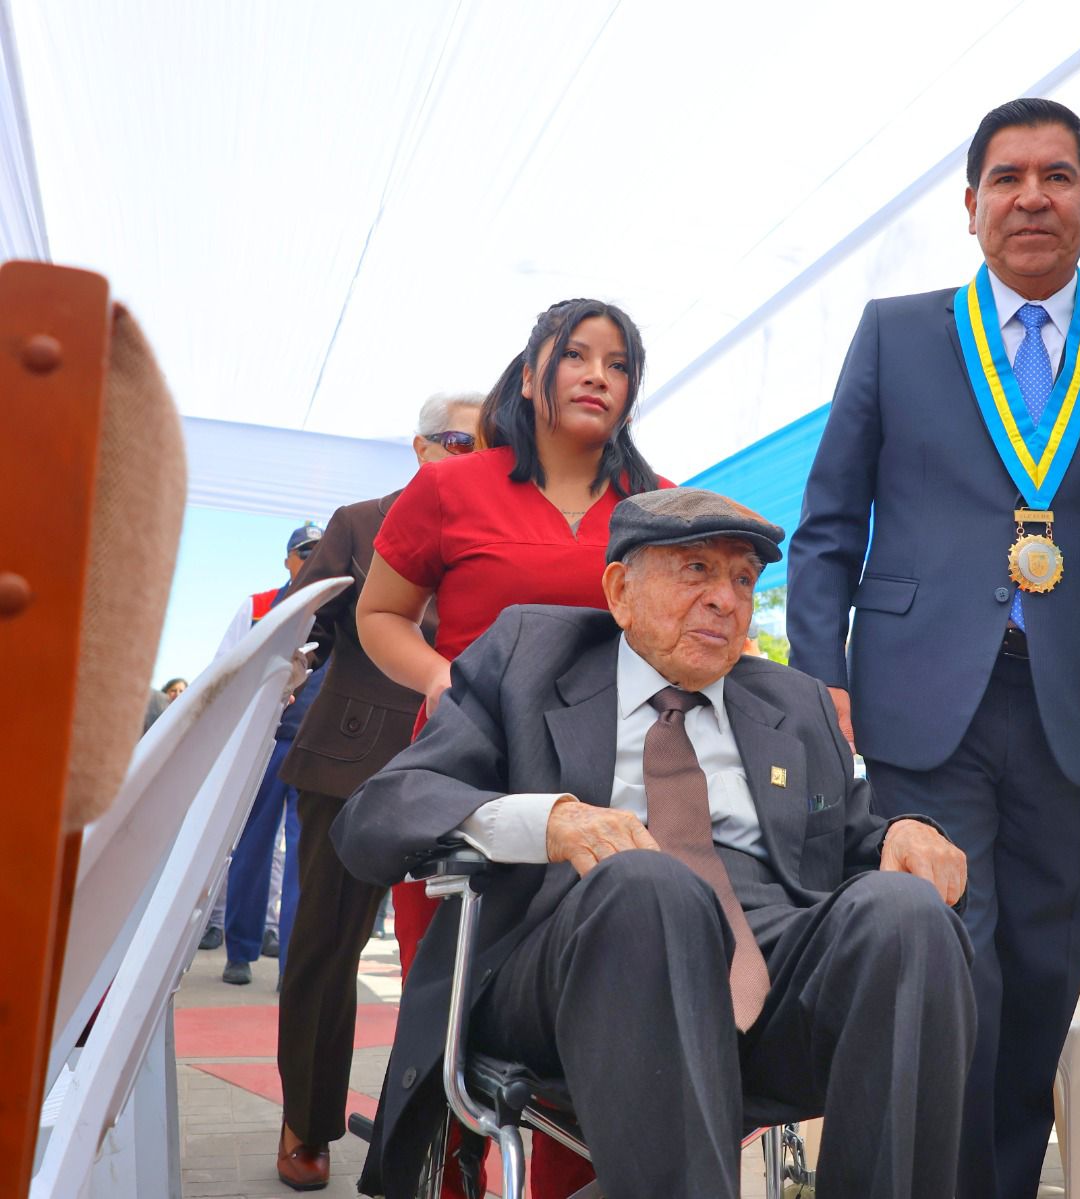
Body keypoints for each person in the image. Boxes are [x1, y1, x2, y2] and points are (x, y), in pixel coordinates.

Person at [786, 97, 1080, 1197]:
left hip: (1077, 708)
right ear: (970, 205)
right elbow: (829, 523)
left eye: (1055, 176)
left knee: (1043, 975)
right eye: (1006, 177)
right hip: (918, 701)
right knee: (951, 958)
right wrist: (815, 678)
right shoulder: (896, 333)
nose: (1031, 197)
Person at [332, 488, 976, 1199]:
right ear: (620, 591)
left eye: (743, 579)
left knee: (908, 916)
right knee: (649, 883)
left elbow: (859, 835)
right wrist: (552, 820)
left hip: (767, 966)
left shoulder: (795, 703)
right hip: (573, 956)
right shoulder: (528, 657)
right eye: (697, 569)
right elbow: (381, 810)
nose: (726, 599)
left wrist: (906, 832)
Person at [356, 299, 667, 1197]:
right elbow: (381, 615)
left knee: (591, 1020)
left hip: (603, 789)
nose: (598, 374)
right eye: (577, 355)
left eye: (619, 363)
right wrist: (441, 678)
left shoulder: (656, 503)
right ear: (531, 375)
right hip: (465, 780)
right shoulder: (449, 487)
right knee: (450, 1022)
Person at [271, 391, 482, 1191]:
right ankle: (307, 1117)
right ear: (421, 447)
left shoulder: (500, 531)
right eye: (458, 439)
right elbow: (301, 624)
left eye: (489, 441)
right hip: (350, 756)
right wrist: (278, 674)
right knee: (326, 946)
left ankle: (431, 1136)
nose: (473, 454)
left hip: (463, 762)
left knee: (459, 961)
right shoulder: (360, 522)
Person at [212, 521, 327, 983]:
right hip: (264, 743)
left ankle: (290, 966)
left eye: (320, 551)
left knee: (303, 858)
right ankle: (239, 951)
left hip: (315, 747)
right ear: (287, 560)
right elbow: (225, 668)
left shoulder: (341, 607)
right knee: (251, 848)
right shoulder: (258, 606)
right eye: (305, 551)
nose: (313, 559)